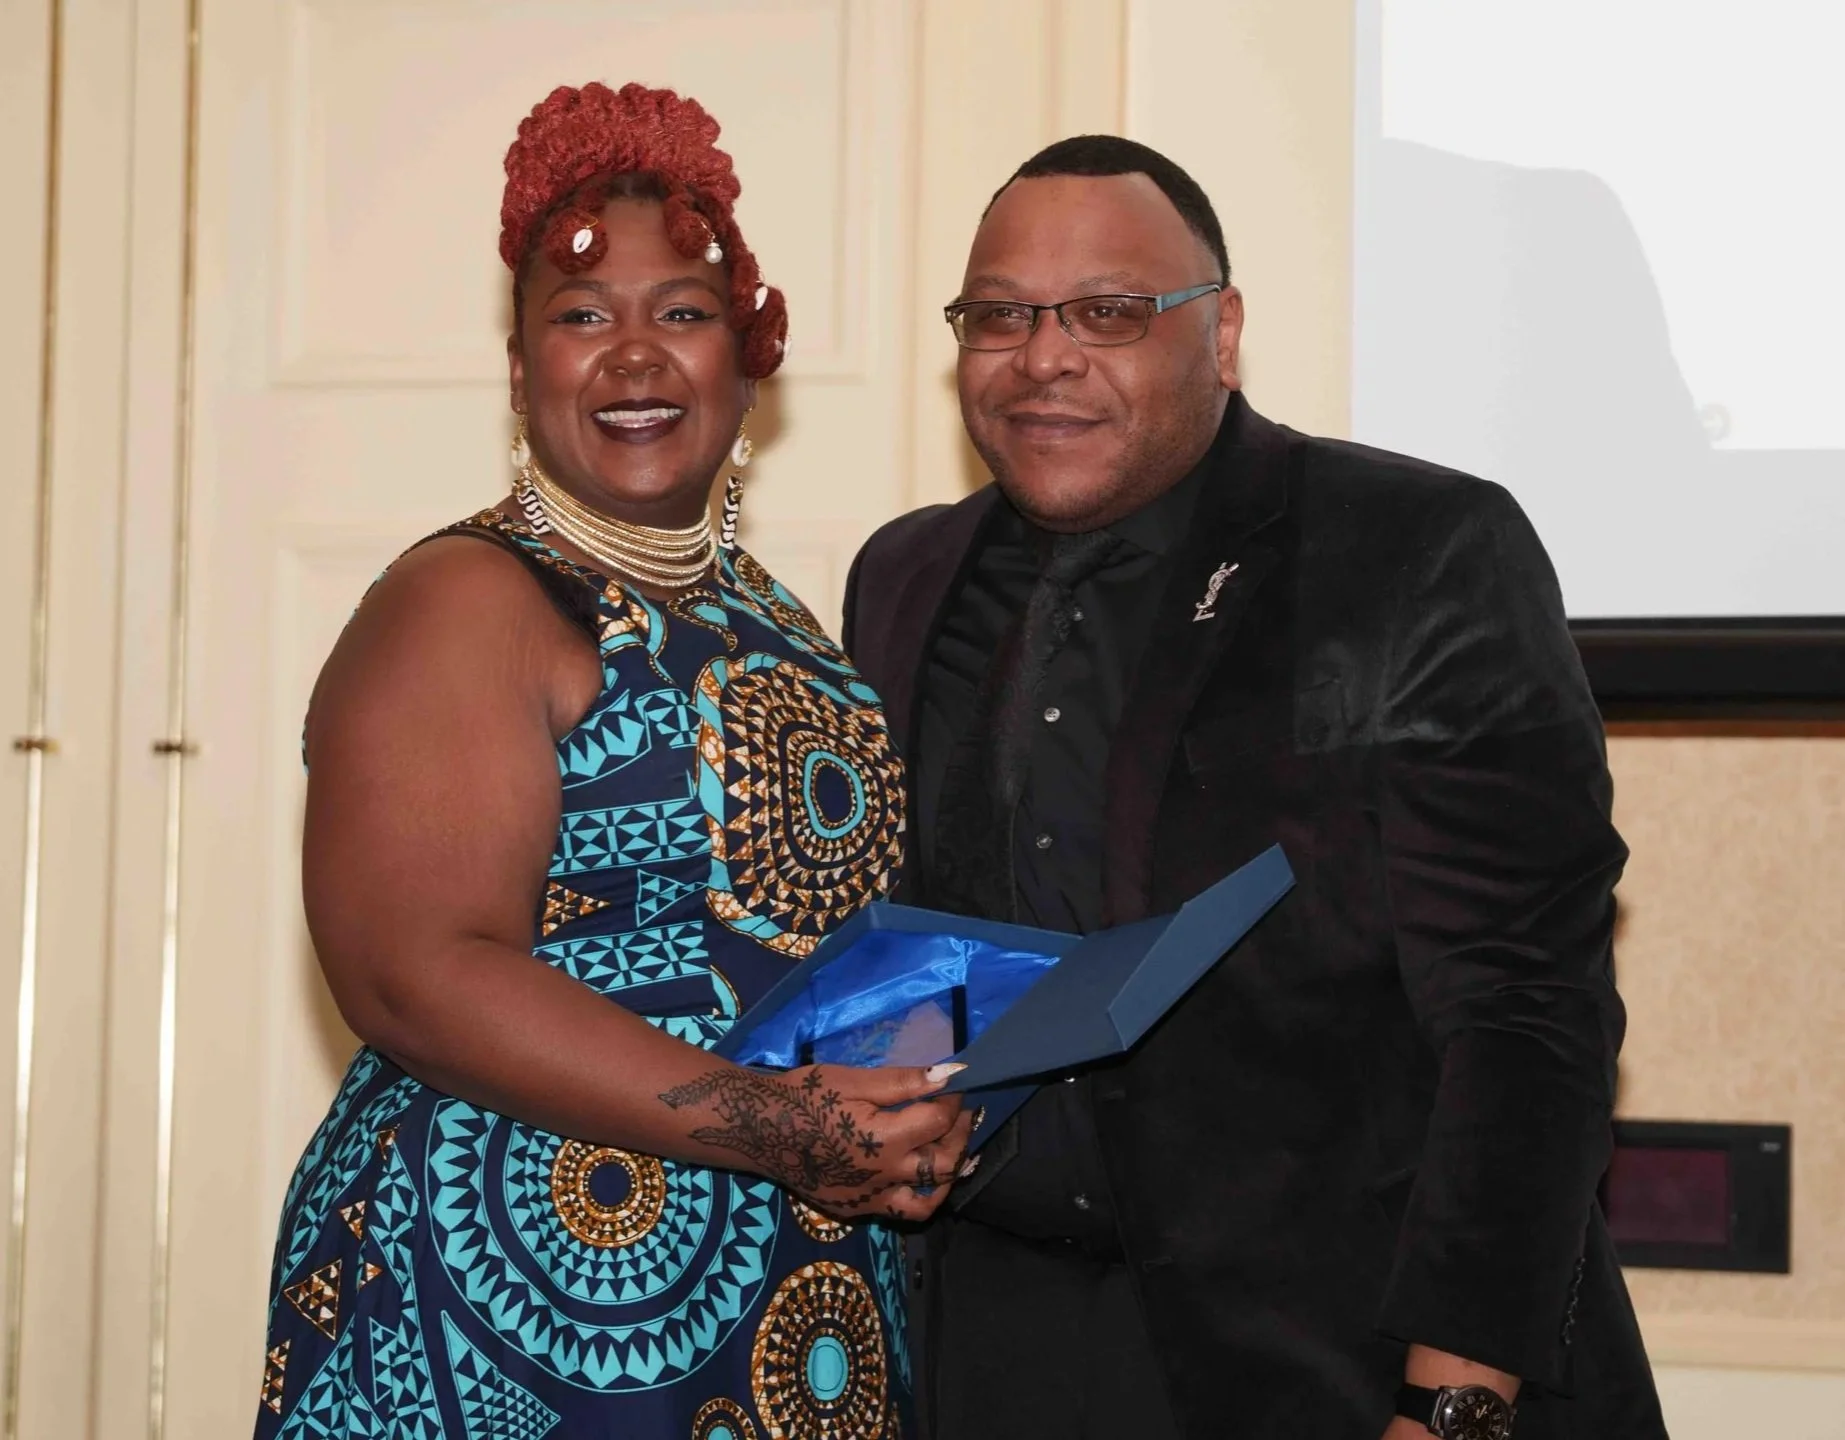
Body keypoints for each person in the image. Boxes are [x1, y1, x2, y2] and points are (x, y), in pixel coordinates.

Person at [842, 136, 1666, 1440]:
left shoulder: (1414, 551)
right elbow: (924, 941)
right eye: (1000, 315)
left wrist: (1453, 1407)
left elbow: (1527, 1019)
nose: (1043, 355)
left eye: (1109, 311)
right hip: (992, 1351)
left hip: (1346, 1361)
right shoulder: (903, 577)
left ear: (1220, 333)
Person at [255, 82, 969, 1439]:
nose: (634, 357)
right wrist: (780, 1126)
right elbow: (418, 972)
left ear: (746, 362)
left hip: (790, 1310)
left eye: (683, 315)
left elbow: (810, 943)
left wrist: (916, 1101)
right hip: (508, 1307)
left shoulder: (781, 624)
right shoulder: (469, 598)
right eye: (583, 319)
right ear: (523, 370)